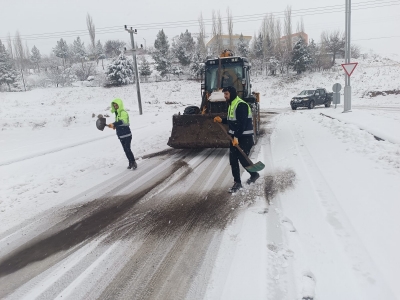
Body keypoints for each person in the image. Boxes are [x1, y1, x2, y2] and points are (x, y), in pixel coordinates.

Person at [214, 86, 260, 193]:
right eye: (224, 94)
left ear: (232, 94)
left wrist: (236, 137)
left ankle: (254, 174)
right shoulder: (232, 104)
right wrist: (222, 120)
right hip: (235, 137)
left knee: (243, 159)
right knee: (233, 160)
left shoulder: (241, 105)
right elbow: (232, 120)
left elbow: (242, 124)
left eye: (226, 94)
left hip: (245, 138)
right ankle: (237, 182)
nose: (225, 97)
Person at [107, 98, 137, 170]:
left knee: (128, 149)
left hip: (127, 134)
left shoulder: (123, 112)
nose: (115, 107)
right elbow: (119, 123)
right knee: (125, 150)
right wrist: (114, 126)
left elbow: (122, 122)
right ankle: (130, 162)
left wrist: (114, 124)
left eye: (116, 105)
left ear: (119, 105)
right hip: (121, 135)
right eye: (114, 106)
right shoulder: (117, 114)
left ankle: (133, 162)